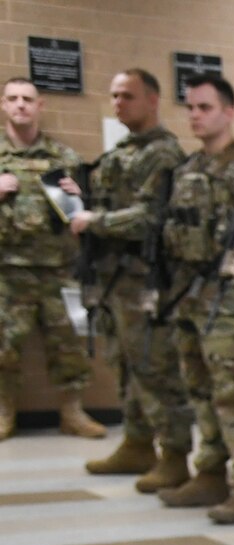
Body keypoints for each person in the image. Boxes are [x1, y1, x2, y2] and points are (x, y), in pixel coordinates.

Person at [67, 69, 190, 484]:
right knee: (123, 366)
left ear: (153, 100)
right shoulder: (122, 151)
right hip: (112, 280)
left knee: (154, 368)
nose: (118, 103)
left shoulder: (163, 153)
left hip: (143, 280)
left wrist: (96, 221)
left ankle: (173, 454)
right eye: (115, 96)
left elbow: (152, 217)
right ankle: (137, 444)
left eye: (128, 96)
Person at [153, 74, 234, 514]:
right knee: (198, 389)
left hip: (231, 299)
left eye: (205, 108)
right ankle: (211, 473)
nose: (195, 116)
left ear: (229, 112)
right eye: (190, 108)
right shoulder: (185, 171)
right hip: (188, 294)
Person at [0, 77, 105, 441]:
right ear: (3, 105)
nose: (20, 106)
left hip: (59, 268)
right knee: (4, 346)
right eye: (12, 99)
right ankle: (3, 413)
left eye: (28, 99)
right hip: (7, 270)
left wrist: (80, 196)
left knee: (68, 345)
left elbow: (87, 214)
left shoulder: (64, 158)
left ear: (40, 106)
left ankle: (72, 412)